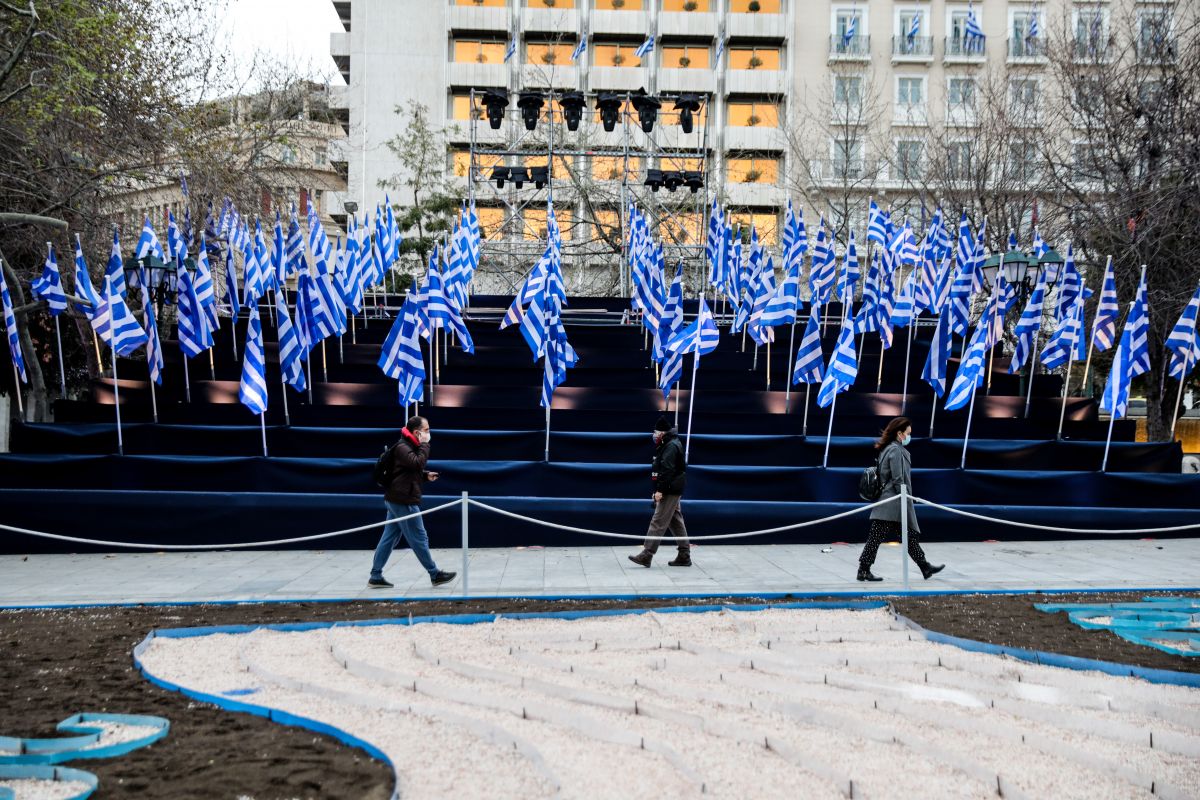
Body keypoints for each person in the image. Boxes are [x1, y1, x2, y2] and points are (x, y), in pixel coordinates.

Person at [368, 415, 457, 588]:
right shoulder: (404, 447)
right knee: (419, 537)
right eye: (426, 430)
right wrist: (425, 445)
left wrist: (425, 476)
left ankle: (375, 575)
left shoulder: (406, 445)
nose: (428, 433)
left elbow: (406, 471)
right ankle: (434, 574)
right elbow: (417, 464)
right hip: (403, 500)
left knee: (389, 538)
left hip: (396, 498)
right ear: (417, 432)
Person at [857, 417, 944, 582]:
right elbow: (898, 479)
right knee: (878, 537)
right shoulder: (896, 450)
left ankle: (924, 566)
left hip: (890, 502)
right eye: (908, 433)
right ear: (899, 433)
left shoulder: (887, 449)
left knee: (906, 537)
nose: (910, 436)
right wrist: (905, 498)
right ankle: (863, 570)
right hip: (894, 502)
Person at [629, 417, 691, 568]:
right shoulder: (668, 443)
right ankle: (684, 554)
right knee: (675, 520)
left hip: (669, 488)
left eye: (656, 432)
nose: (654, 434)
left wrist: (660, 491)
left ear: (662, 432)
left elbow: (667, 470)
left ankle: (647, 554)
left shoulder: (670, 446)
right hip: (673, 487)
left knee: (658, 520)